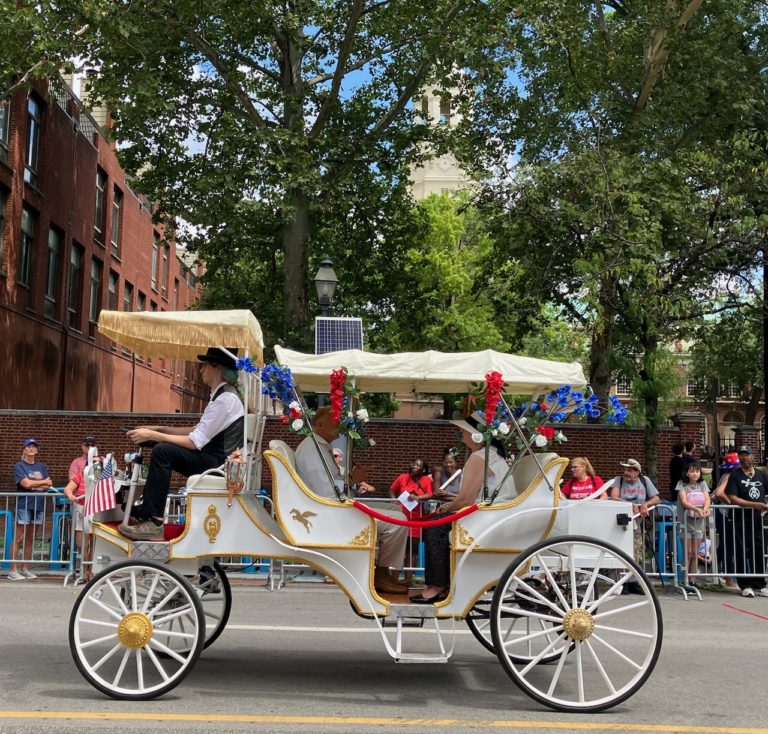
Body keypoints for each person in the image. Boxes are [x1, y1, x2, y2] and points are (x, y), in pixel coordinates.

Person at [120, 347, 245, 540]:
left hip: (216, 464)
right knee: (159, 445)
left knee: (163, 451)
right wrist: (157, 430)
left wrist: (155, 435)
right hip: (216, 459)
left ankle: (154, 521)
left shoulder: (225, 399)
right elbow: (197, 431)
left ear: (217, 367)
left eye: (204, 365)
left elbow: (195, 442)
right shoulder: (223, 395)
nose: (201, 370)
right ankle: (147, 509)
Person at [294, 406, 409, 595]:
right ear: (321, 424)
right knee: (398, 522)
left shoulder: (319, 446)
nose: (339, 425)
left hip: (334, 506)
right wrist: (352, 479)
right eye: (335, 421)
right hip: (331, 512)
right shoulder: (312, 449)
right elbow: (328, 494)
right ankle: (381, 574)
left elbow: (332, 484)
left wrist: (351, 478)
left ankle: (385, 572)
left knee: (394, 508)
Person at [415, 415, 516, 604]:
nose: (460, 434)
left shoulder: (479, 457)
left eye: (463, 431)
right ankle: (438, 582)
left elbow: (466, 498)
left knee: (434, 528)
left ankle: (439, 584)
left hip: (488, 516)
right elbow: (471, 497)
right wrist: (450, 505)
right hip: (496, 513)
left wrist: (446, 507)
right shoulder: (493, 453)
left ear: (475, 434)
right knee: (436, 524)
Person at [609, 459, 660, 593]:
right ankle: (621, 582)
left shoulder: (645, 481)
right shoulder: (618, 480)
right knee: (620, 551)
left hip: (637, 522)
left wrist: (645, 505)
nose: (626, 472)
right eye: (625, 470)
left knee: (636, 551)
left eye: (630, 470)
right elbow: (614, 497)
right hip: (621, 521)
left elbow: (656, 498)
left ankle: (633, 581)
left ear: (637, 472)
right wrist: (629, 504)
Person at [724, 445, 768, 598]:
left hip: (757, 521)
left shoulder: (761, 475)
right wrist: (753, 505)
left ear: (752, 456)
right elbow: (733, 498)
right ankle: (745, 584)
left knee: (759, 550)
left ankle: (760, 584)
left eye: (747, 455)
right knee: (742, 551)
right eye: (741, 455)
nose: (744, 458)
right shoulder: (735, 476)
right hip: (740, 521)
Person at [9, 439, 53, 581]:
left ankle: (25, 568)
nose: (32, 448)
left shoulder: (41, 466)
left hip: (38, 505)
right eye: (29, 446)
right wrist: (42, 482)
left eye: (34, 446)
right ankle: (13, 570)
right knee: (19, 537)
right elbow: (26, 484)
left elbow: (49, 484)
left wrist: (38, 484)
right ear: (24, 449)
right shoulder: (19, 466)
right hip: (24, 504)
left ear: (37, 450)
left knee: (30, 539)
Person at [390, 459, 433, 585]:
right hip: (401, 517)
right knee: (398, 549)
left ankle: (408, 580)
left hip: (416, 519)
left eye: (418, 465)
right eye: (414, 464)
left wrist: (418, 497)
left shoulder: (426, 480)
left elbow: (430, 494)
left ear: (423, 469)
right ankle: (394, 579)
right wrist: (394, 500)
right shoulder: (403, 477)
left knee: (412, 551)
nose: (415, 466)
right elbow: (392, 489)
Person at [675, 461, 710, 580]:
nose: (695, 474)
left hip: (699, 522)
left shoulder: (703, 484)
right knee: (688, 552)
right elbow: (684, 502)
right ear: (686, 473)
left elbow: (707, 498)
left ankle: (693, 581)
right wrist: (696, 509)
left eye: (697, 471)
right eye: (691, 471)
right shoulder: (681, 484)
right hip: (685, 522)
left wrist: (705, 509)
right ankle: (684, 580)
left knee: (695, 553)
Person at [713, 452, 739, 589]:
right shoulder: (730, 476)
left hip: (723, 514)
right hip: (725, 514)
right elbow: (719, 493)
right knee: (728, 545)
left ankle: (720, 571)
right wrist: (731, 503)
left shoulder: (726, 475)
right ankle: (728, 577)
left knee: (724, 545)